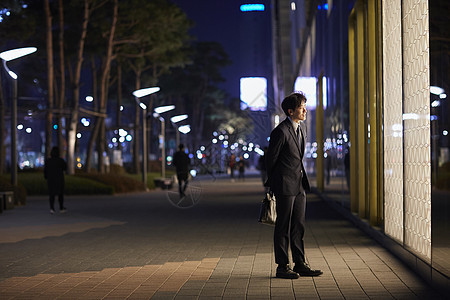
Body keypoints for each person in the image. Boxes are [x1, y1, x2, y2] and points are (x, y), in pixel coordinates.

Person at [265, 92, 323, 279]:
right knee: (283, 226)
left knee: (298, 225)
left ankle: (300, 263)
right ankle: (282, 266)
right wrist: (273, 183)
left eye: (304, 105)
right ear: (290, 111)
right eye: (301, 107)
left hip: (299, 185)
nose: (305, 110)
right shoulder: (280, 132)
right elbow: (270, 160)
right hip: (284, 185)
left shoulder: (301, 129)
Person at [44, 146, 67, 214]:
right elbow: (65, 168)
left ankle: (52, 208)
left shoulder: (48, 161)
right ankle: (61, 207)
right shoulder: (60, 160)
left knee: (51, 195)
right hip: (59, 179)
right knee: (60, 194)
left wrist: (46, 177)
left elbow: (45, 170)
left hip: (51, 180)